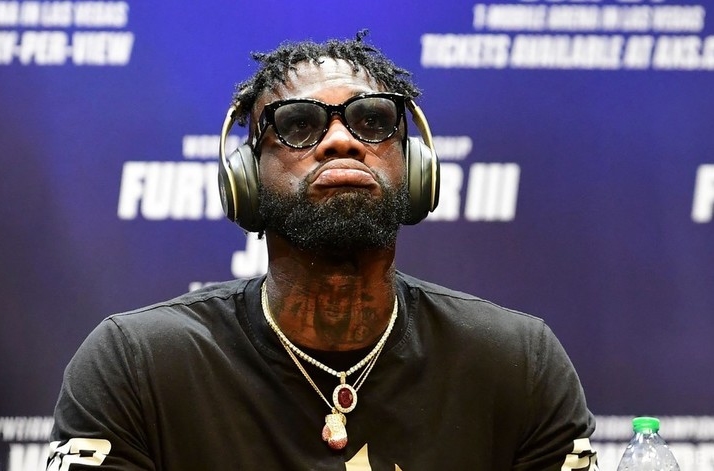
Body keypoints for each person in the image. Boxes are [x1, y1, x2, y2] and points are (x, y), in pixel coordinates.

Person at [47, 32, 599, 471]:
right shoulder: (137, 366)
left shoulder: (516, 363)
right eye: (298, 125)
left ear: (416, 168)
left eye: (373, 122)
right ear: (244, 180)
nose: (341, 140)